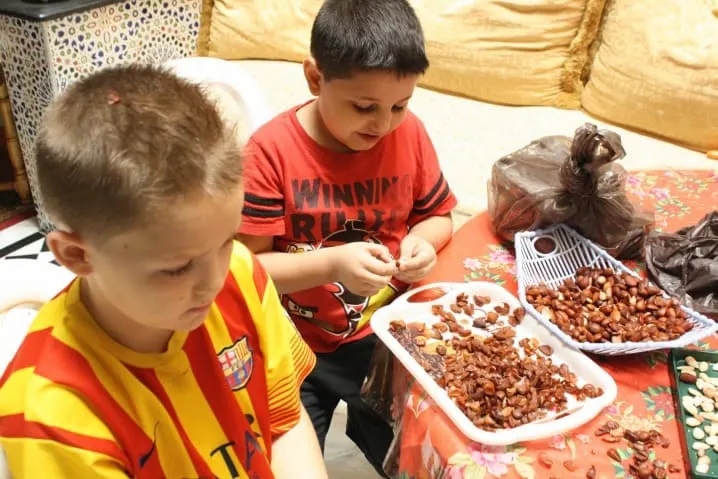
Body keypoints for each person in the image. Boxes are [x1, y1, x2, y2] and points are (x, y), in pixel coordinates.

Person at [0, 65, 327, 479]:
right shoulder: (53, 413)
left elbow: (284, 421)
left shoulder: (241, 274)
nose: (214, 280)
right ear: (77, 256)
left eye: (227, 239)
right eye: (176, 268)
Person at [237, 0, 457, 475]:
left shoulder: (409, 135)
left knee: (401, 455)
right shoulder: (269, 153)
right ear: (315, 79)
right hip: (293, 347)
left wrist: (423, 242)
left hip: (384, 340)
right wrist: (332, 265)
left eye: (400, 105)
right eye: (364, 107)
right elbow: (247, 269)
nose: (383, 124)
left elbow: (439, 215)